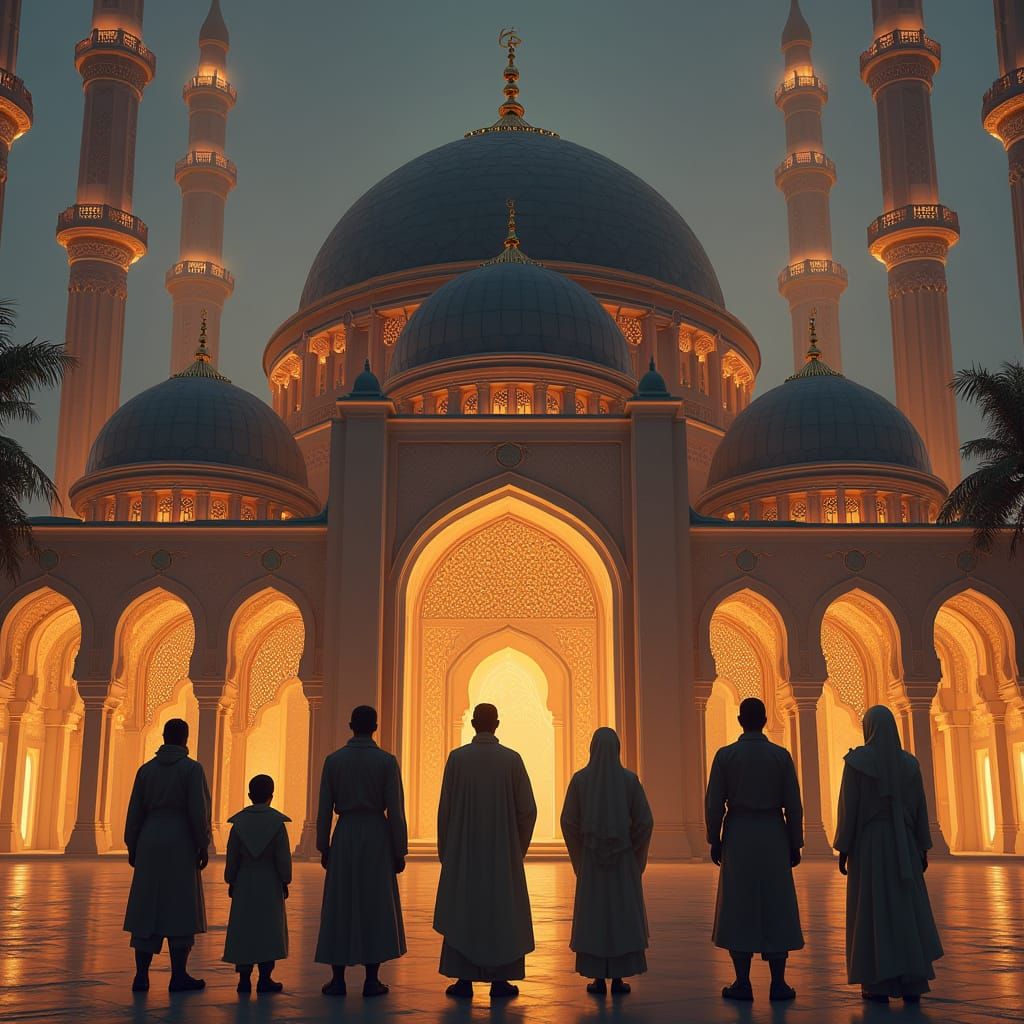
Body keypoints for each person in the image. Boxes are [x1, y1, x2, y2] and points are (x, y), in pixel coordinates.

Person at [834, 704, 943, 1003]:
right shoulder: (909, 764)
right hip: (903, 843)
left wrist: (843, 847)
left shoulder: (857, 762)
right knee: (905, 908)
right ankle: (911, 981)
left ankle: (877, 983)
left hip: (869, 845)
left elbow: (849, 809)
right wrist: (922, 846)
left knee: (874, 909)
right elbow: (920, 809)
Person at [434, 702, 537, 1000]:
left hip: (464, 854)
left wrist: (448, 851)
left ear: (473, 723)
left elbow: (446, 811)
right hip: (501, 856)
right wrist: (515, 847)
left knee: (465, 909)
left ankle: (464, 980)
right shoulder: (511, 760)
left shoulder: (457, 760)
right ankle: (500, 980)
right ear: (497, 724)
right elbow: (528, 810)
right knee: (501, 911)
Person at [705, 696, 804, 1002]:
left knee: (740, 905)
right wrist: (794, 841)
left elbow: (713, 804)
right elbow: (794, 805)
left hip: (739, 834)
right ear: (764, 720)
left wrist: (715, 839)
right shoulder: (780, 756)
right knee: (776, 904)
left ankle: (742, 982)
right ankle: (778, 983)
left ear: (740, 721)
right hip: (773, 833)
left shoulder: (726, 756)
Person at [315, 705, 408, 998]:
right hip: (376, 836)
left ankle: (338, 979)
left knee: (341, 903)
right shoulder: (386, 762)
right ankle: (371, 979)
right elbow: (395, 809)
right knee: (374, 904)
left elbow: (324, 809)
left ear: (350, 725)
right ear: (375, 727)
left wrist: (323, 845)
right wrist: (399, 848)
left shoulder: (334, 761)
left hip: (345, 835)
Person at [560, 727, 654, 996]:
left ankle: (598, 978)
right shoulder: (629, 780)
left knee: (596, 916)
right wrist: (634, 853)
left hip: (592, 863)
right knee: (621, 915)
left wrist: (580, 855)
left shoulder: (581, 780)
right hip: (622, 863)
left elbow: (568, 821)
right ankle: (618, 978)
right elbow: (645, 821)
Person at [123, 717, 212, 993]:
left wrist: (133, 844)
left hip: (150, 838)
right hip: (180, 840)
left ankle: (141, 975)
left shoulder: (146, 771)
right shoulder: (191, 770)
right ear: (185, 738)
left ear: (163, 737)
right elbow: (199, 812)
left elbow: (135, 811)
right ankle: (179, 975)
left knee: (146, 905)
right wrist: (202, 843)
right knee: (180, 907)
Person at [223, 774, 292, 994]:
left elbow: (232, 856)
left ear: (250, 795)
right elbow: (283, 858)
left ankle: (244, 978)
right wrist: (285, 879)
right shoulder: (276, 824)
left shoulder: (239, 823)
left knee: (245, 928)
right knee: (267, 929)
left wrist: (231, 879)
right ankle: (265, 978)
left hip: (244, 879)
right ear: (271, 796)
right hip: (269, 880)